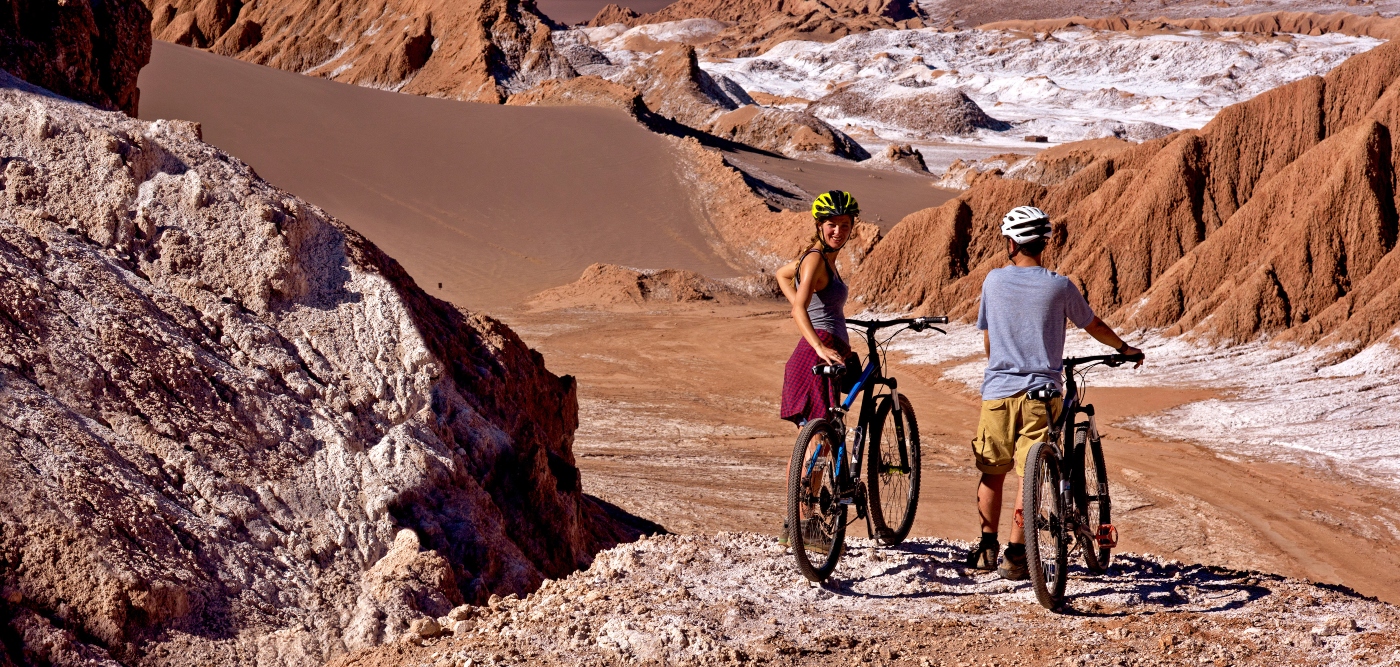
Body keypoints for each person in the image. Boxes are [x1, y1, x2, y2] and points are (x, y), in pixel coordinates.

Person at [965, 205, 1143, 580]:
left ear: (1011, 243)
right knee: (1028, 474)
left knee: (991, 471)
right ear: (1043, 243)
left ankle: (986, 548)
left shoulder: (993, 282)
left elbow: (988, 338)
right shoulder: (1059, 286)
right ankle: (1015, 554)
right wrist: (1123, 348)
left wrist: (1003, 367)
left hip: (998, 392)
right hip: (1043, 396)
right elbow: (1092, 323)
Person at [777, 191, 861, 428]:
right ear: (819, 225)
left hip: (828, 353)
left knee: (820, 445)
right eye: (831, 224)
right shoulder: (815, 259)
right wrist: (819, 345)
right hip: (817, 354)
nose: (838, 231)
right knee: (818, 442)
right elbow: (798, 310)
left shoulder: (824, 259)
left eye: (845, 225)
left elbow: (781, 274)